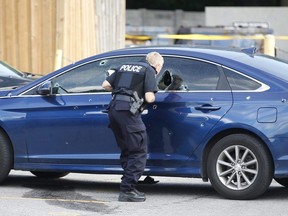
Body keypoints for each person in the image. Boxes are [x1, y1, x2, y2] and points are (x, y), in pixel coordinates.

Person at [101, 52, 164, 202]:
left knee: (127, 149)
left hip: (114, 110)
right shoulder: (149, 70)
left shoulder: (123, 66)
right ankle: (127, 189)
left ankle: (128, 180)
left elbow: (105, 85)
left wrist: (123, 91)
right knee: (138, 151)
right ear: (158, 65)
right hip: (128, 113)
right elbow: (149, 97)